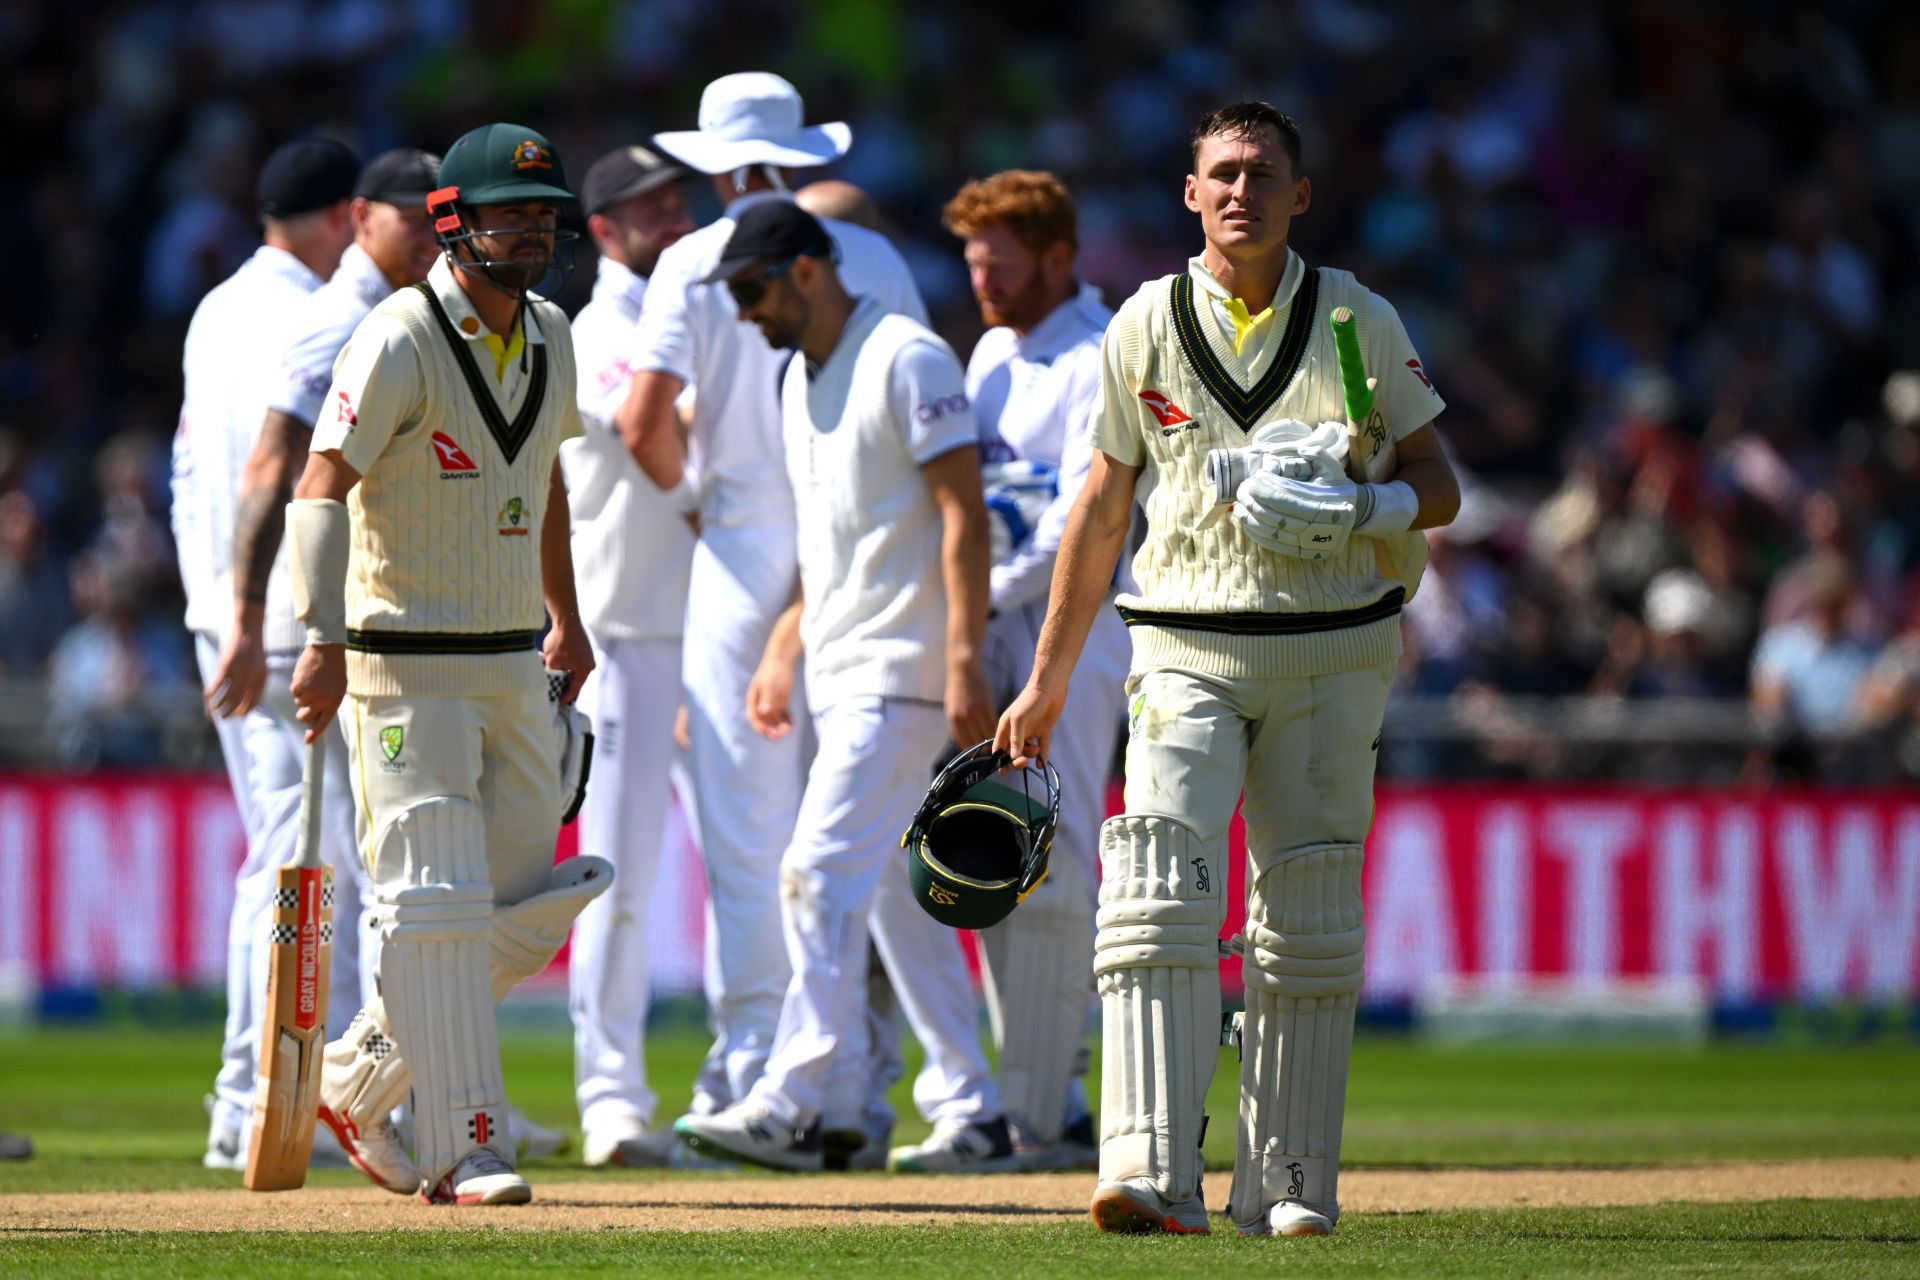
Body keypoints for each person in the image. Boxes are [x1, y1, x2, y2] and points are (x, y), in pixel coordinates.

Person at [995, 102, 1459, 1237]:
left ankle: (1288, 1178)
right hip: (1184, 646)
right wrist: (1049, 677)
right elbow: (1102, 508)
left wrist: (1365, 502)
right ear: (1189, 193)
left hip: (1333, 648)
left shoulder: (1355, 318)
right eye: (1222, 173)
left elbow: (1440, 484)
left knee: (1303, 912)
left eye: (1263, 172)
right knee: (1156, 890)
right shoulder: (1145, 324)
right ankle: (1149, 1166)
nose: (1241, 189)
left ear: (1302, 195)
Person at [290, 123, 605, 1206]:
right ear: (450, 223)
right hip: (401, 664)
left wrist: (568, 611)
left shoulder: (556, 332)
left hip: (516, 658)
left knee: (528, 895)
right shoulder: (397, 336)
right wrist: (321, 637)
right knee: (434, 902)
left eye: (543, 212)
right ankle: (465, 1142)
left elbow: (545, 476)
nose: (532, 230)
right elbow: (321, 482)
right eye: (508, 214)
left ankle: (360, 1064)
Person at [614, 71, 928, 1143]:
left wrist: (703, 509)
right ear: (796, 156)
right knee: (856, 841)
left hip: (743, 552)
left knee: (751, 844)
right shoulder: (874, 256)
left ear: (713, 165)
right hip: (859, 547)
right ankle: (853, 1090)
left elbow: (641, 425)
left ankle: (758, 1071)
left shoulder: (692, 263)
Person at [675, 200, 1009, 1172]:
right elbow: (835, 540)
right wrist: (787, 639)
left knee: (813, 872)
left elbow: (965, 515)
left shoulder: (909, 357)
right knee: (897, 902)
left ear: (807, 272)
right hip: (842, 661)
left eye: (751, 289)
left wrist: (960, 657)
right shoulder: (794, 377)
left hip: (902, 672)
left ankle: (791, 1097)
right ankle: (971, 1104)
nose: (743, 312)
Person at [168, 136, 360, 1171]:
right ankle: (258, 1097)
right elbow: (271, 472)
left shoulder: (217, 308)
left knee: (287, 858)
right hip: (283, 621)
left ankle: (258, 1094)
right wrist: (257, 618)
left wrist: (212, 609)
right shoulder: (308, 316)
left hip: (230, 610)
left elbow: (187, 468)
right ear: (343, 216)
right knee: (298, 862)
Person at [942, 170, 1127, 1171]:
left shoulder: (1097, 359)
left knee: (1055, 854)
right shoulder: (989, 350)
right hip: (995, 622)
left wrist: (974, 594)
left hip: (1079, 630)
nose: (983, 282)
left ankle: (1056, 1099)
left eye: (1001, 265)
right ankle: (1039, 1090)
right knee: (990, 860)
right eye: (973, 262)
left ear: (1058, 259)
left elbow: (1075, 519)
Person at [560, 143, 701, 1168]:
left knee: (759, 864)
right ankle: (610, 1096)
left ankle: (752, 1083)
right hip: (619, 633)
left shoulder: (699, 311)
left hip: (723, 626)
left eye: (674, 200)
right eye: (646, 209)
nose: (671, 218)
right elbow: (659, 436)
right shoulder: (598, 326)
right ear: (602, 230)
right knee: (616, 872)